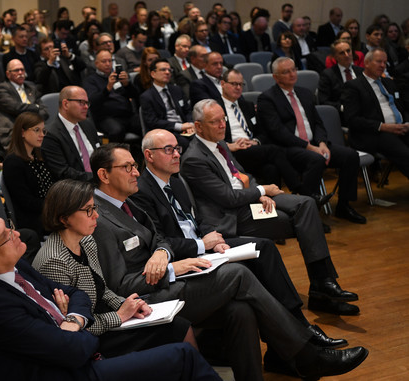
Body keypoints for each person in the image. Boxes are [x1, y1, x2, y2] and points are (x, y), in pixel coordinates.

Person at [90, 143, 368, 380]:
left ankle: (268, 368)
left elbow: (160, 237)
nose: (136, 171)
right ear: (104, 174)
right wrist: (172, 267)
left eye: (134, 166)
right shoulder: (98, 218)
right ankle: (305, 354)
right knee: (237, 274)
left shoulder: (129, 201)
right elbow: (120, 285)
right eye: (127, 167)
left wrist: (163, 254)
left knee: (241, 309)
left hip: (167, 276)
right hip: (143, 302)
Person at [0, 207, 222, 381]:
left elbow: (76, 293)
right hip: (68, 371)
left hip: (75, 349)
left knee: (176, 327)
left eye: (9, 226)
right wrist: (75, 327)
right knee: (183, 356)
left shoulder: (14, 265)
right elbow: (76, 351)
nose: (17, 235)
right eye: (5, 237)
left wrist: (72, 320)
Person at [181, 99, 362, 315]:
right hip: (232, 215)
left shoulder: (218, 144)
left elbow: (243, 175)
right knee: (305, 222)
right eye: (215, 122)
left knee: (307, 204)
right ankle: (322, 289)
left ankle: (323, 285)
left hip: (249, 200)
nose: (222, 125)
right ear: (198, 126)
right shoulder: (193, 158)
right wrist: (261, 192)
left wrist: (259, 192)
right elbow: (227, 197)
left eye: (224, 119)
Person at [34, 179, 197, 358]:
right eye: (88, 210)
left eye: (94, 208)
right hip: (89, 338)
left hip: (104, 319)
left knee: (180, 324)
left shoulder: (86, 241)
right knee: (177, 330)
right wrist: (119, 316)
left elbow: (102, 289)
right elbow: (70, 324)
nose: (95, 215)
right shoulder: (54, 261)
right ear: (64, 218)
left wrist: (127, 305)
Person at [258, 57, 366, 224]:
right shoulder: (267, 98)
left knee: (350, 155)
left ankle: (344, 205)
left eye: (293, 69)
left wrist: (322, 143)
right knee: (315, 160)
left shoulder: (305, 93)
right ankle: (310, 213)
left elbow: (317, 123)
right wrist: (310, 147)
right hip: (288, 148)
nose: (292, 74)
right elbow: (277, 132)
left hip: (314, 144)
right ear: (275, 77)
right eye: (286, 72)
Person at [216, 69, 303, 191]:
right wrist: (230, 145)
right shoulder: (215, 108)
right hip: (232, 152)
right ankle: (299, 188)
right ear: (223, 84)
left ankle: (277, 205)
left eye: (241, 84)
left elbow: (263, 132)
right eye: (234, 84)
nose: (238, 87)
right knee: (274, 150)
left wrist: (255, 141)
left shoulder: (248, 106)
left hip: (252, 149)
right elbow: (210, 137)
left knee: (271, 169)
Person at [341, 48, 409, 180]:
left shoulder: (389, 82)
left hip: (400, 128)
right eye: (379, 62)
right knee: (406, 155)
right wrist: (382, 126)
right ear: (366, 63)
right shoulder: (353, 86)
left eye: (385, 62)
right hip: (374, 133)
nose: (383, 65)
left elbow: (402, 107)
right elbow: (352, 119)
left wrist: (406, 123)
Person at [2, 112, 52, 236]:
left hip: (48, 209)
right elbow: (26, 202)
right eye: (37, 130)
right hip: (32, 218)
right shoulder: (13, 162)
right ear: (22, 132)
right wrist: (56, 206)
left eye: (43, 131)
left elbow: (52, 184)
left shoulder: (39, 155)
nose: (42, 135)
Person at [41, 86, 100, 181]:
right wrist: (96, 178)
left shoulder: (87, 124)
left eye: (87, 103)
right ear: (65, 104)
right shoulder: (50, 134)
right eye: (81, 102)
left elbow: (99, 152)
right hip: (76, 187)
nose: (86, 107)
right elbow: (63, 172)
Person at [83, 50, 140, 142]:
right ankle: (113, 155)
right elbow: (93, 102)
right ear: (96, 64)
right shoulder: (91, 80)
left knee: (145, 124)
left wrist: (127, 85)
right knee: (116, 131)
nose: (108, 64)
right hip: (106, 117)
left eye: (110, 61)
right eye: (104, 61)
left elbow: (135, 96)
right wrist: (108, 88)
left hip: (127, 115)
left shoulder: (119, 77)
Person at [141, 58, 193, 149]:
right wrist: (180, 126)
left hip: (185, 128)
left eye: (169, 70)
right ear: (153, 74)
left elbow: (188, 110)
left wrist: (190, 124)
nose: (167, 72)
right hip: (166, 131)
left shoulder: (176, 90)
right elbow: (153, 121)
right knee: (184, 143)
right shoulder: (147, 96)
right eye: (163, 70)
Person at [0, 59, 47, 148]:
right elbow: (16, 109)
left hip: (35, 130)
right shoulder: (1, 89)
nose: (20, 73)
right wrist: (36, 107)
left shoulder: (31, 88)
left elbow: (44, 111)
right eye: (16, 70)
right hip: (14, 131)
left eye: (22, 70)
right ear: (8, 74)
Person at [319, 39, 364, 118]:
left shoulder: (361, 71)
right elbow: (323, 101)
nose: (347, 55)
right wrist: (343, 107)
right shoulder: (328, 75)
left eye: (348, 51)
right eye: (342, 53)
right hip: (343, 115)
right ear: (335, 57)